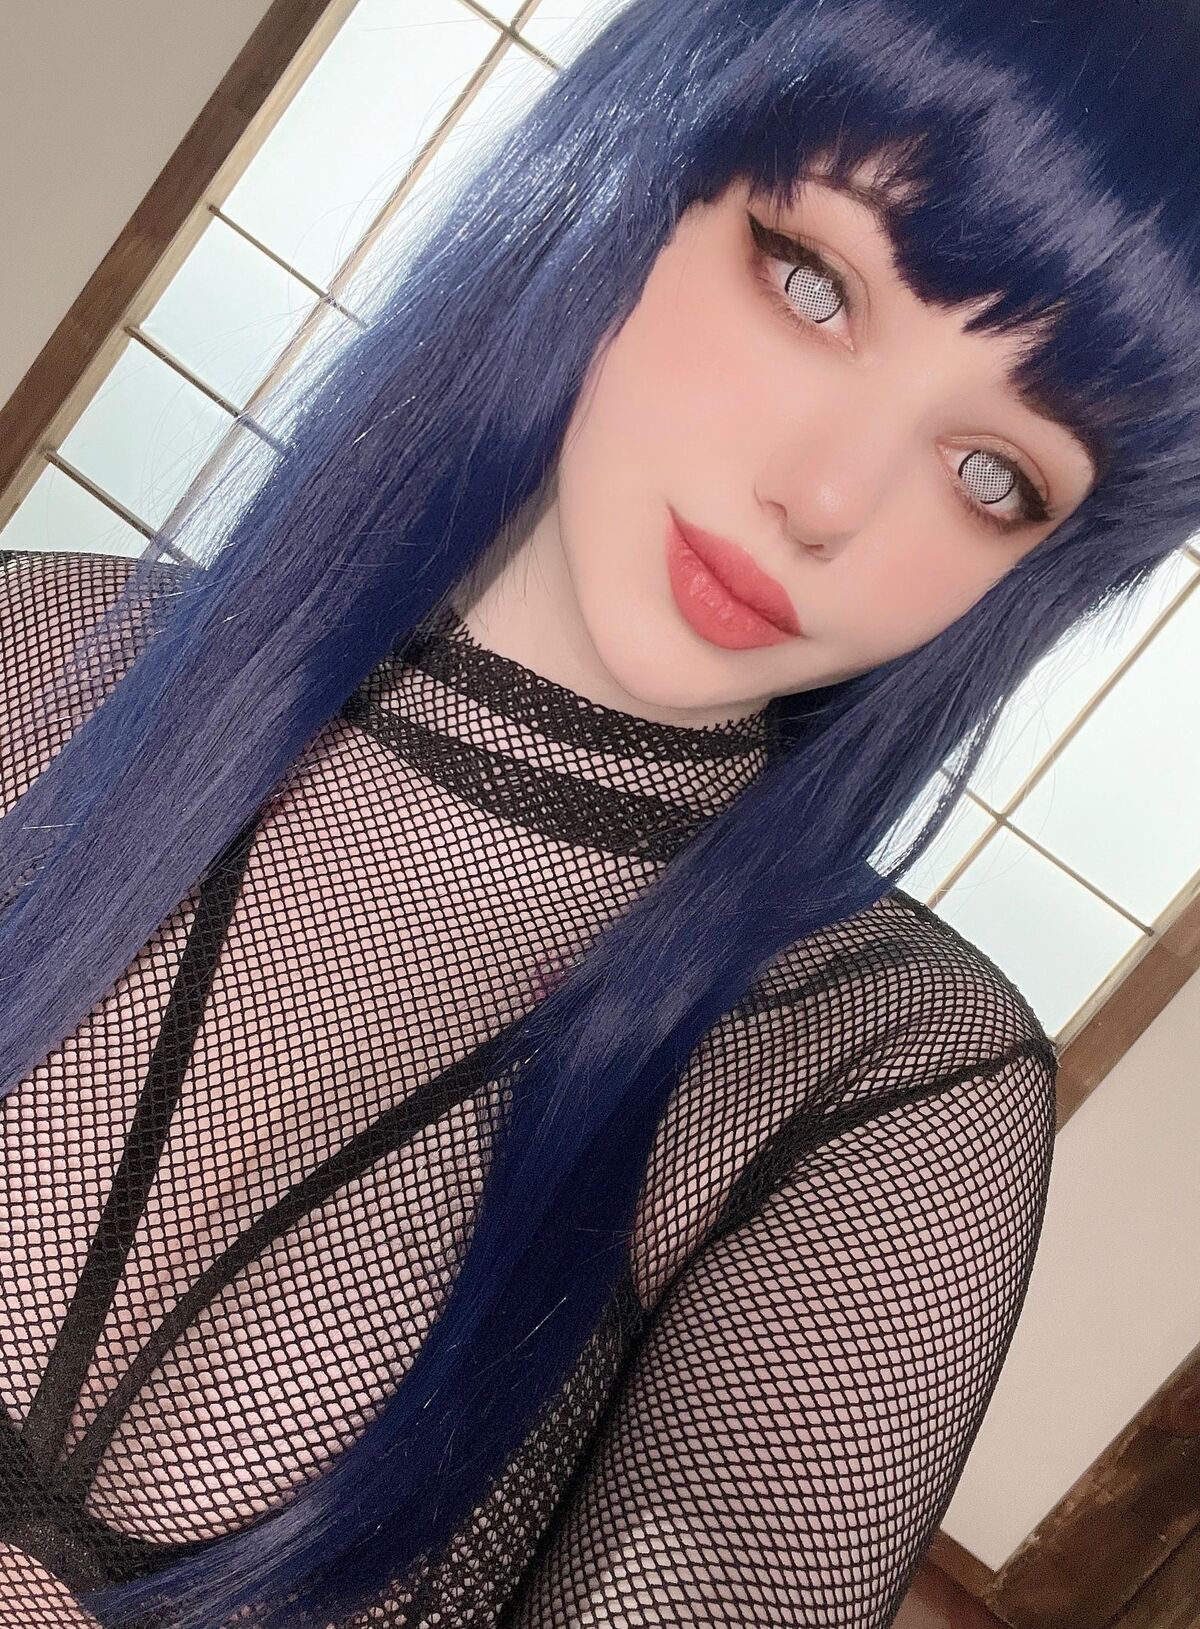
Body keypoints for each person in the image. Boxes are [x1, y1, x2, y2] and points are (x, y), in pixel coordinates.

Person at [1, 1, 1196, 1625]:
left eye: (996, 473)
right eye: (814, 283)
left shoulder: (868, 1072)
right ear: (645, 171)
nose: (825, 497)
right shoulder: (34, 654)